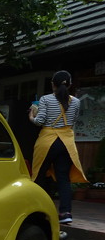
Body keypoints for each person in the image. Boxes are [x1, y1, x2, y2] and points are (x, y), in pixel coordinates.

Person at [29, 70, 88, 225]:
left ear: (52, 84)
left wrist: (31, 115)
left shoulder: (45, 99)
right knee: (63, 179)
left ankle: (39, 210)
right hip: (66, 142)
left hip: (48, 140)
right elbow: (72, 121)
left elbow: (40, 121)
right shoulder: (76, 101)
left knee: (40, 176)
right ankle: (65, 213)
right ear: (69, 84)